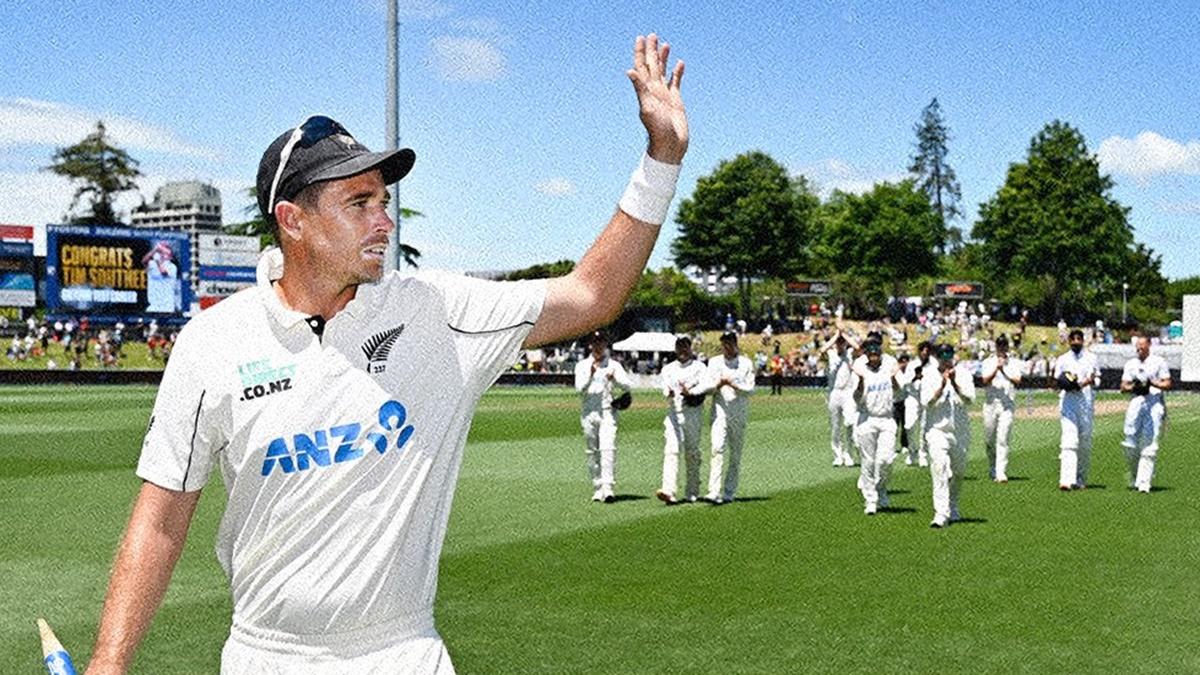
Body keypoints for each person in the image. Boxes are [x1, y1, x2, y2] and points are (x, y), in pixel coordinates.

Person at [84, 33, 688, 674]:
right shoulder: (212, 343)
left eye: (384, 201)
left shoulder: (437, 311)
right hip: (268, 656)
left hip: (401, 652)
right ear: (292, 220)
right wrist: (108, 663)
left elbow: (593, 294)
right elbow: (160, 522)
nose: (385, 220)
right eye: (359, 203)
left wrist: (662, 157)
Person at [574, 332, 632, 503]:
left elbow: (628, 385)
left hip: (607, 411)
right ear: (590, 345)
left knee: (608, 449)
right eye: (595, 343)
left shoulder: (614, 365)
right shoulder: (582, 365)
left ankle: (608, 487)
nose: (598, 346)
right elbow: (579, 389)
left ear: (606, 344)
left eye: (601, 342)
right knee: (592, 451)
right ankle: (597, 486)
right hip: (588, 412)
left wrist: (615, 379)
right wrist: (591, 374)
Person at [922, 344, 975, 528]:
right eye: (942, 355)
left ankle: (952, 506)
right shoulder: (929, 374)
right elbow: (927, 402)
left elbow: (970, 399)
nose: (946, 359)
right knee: (940, 468)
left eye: (949, 354)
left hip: (959, 431)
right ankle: (941, 513)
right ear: (936, 357)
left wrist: (955, 384)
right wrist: (942, 385)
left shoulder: (964, 373)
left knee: (958, 472)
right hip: (937, 431)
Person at [851, 339, 902, 515]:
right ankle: (871, 500)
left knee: (886, 459)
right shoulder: (860, 370)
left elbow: (900, 392)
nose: (873, 357)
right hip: (867, 419)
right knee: (868, 461)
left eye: (876, 354)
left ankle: (881, 488)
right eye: (870, 354)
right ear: (867, 356)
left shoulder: (888, 368)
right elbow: (856, 398)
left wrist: (894, 376)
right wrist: (860, 381)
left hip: (887, 419)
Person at [657, 334, 709, 504]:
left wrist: (692, 392)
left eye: (685, 346)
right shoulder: (668, 368)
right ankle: (668, 490)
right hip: (673, 413)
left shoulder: (700, 367)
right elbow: (664, 386)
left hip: (692, 413)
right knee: (671, 450)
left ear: (690, 347)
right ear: (675, 348)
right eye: (679, 346)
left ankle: (692, 490)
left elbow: (706, 386)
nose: (682, 350)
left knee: (692, 452)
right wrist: (668, 393)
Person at [705, 331, 755, 504]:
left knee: (735, 454)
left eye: (729, 343)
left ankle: (729, 491)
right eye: (724, 343)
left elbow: (750, 389)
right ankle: (713, 491)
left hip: (739, 413)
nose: (726, 346)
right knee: (717, 449)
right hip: (720, 412)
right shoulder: (714, 362)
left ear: (735, 343)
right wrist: (718, 384)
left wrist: (734, 384)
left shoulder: (746, 363)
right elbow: (707, 387)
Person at [1120, 335, 1172, 493]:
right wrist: (1134, 387)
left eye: (1142, 346)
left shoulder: (1159, 362)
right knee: (1130, 441)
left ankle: (1144, 482)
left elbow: (1168, 383)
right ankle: (1137, 475)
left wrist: (1152, 383)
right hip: (1136, 402)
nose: (1140, 349)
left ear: (1149, 345)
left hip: (1154, 402)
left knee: (1149, 442)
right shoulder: (1131, 364)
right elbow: (1123, 386)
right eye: (1137, 346)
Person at [1054, 328, 1101, 490]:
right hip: (1068, 402)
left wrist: (1088, 382)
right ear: (1068, 341)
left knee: (1084, 442)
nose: (1075, 342)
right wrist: (1066, 384)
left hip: (1086, 403)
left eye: (1078, 339)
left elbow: (1098, 380)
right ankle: (1066, 480)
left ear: (1083, 340)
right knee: (1069, 440)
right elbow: (1056, 381)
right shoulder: (1062, 359)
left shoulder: (1092, 358)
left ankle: (1080, 478)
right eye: (1072, 339)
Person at [980, 335, 1023, 483]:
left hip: (1007, 405)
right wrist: (996, 369)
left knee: (1003, 438)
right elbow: (984, 380)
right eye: (1000, 345)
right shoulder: (988, 361)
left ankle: (1001, 472)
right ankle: (992, 467)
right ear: (996, 346)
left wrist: (1003, 370)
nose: (1002, 348)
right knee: (989, 439)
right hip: (990, 404)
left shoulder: (1014, 362)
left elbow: (1018, 381)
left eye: (1004, 345)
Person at [824, 330, 857, 467]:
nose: (840, 345)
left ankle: (848, 454)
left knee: (849, 423)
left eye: (842, 343)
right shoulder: (831, 354)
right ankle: (838, 455)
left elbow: (857, 347)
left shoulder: (849, 354)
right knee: (835, 426)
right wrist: (836, 336)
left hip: (848, 392)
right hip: (834, 392)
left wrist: (844, 336)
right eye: (838, 343)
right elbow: (822, 349)